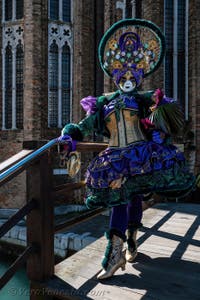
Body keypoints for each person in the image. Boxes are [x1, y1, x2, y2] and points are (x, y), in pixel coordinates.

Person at [59, 19, 195, 280]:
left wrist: (159, 115)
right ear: (116, 77)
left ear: (139, 76)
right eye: (124, 76)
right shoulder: (104, 104)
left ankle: (126, 242)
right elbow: (85, 125)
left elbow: (165, 119)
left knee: (130, 197)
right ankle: (119, 250)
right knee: (121, 198)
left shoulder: (144, 99)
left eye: (134, 76)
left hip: (140, 155)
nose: (129, 79)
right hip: (113, 159)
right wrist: (69, 134)